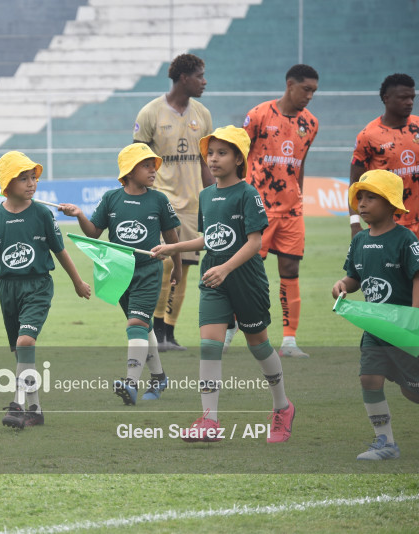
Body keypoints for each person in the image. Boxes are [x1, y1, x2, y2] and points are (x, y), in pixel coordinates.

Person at [151, 126, 295, 444]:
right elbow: (210, 238)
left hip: (246, 280)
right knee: (209, 346)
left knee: (259, 347)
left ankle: (282, 408)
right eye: (210, 153)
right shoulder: (206, 195)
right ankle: (210, 421)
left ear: (239, 159)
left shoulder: (247, 194)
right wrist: (173, 247)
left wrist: (227, 269)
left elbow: (255, 242)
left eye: (222, 153)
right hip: (214, 279)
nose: (213, 159)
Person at [0, 151, 91, 429]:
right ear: (7, 184)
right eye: (24, 178)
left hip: (38, 286)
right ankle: (36, 410)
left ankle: (16, 405)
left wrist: (77, 282)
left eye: (34, 178)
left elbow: (60, 251)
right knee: (20, 352)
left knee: (25, 342)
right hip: (8, 289)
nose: (32, 184)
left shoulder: (42, 214)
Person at [59, 143, 181, 405]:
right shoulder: (111, 198)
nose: (152, 170)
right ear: (129, 170)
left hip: (149, 273)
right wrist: (79, 214)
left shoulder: (158, 200)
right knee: (143, 326)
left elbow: (173, 239)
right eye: (145, 165)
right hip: (120, 272)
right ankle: (158, 377)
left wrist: (178, 269)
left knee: (135, 324)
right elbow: (93, 233)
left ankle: (130, 383)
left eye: (153, 166)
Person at [230, 65, 319, 358]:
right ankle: (231, 328)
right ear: (290, 84)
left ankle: (290, 341)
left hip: (292, 210)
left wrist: (301, 195)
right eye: (306, 89)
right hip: (259, 208)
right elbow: (239, 155)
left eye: (313, 91)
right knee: (248, 271)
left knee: (291, 269)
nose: (309, 96)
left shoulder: (311, 123)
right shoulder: (258, 115)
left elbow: (300, 162)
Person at [332, 169, 419, 460]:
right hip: (375, 328)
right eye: (360, 197)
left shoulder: (406, 239)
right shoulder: (359, 241)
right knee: (369, 378)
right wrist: (343, 286)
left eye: (372, 197)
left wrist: (415, 319)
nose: (363, 204)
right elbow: (354, 277)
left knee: (413, 392)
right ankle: (385, 442)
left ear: (392, 204)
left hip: (404, 330)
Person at [133, 53, 214, 351]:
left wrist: (213, 198)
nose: (204, 81)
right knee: (164, 267)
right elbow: (136, 162)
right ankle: (154, 330)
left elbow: (207, 162)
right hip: (161, 203)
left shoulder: (202, 114)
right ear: (184, 78)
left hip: (193, 206)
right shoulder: (151, 113)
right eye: (200, 76)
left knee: (185, 270)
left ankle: (168, 333)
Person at [350, 73, 419, 239]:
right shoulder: (368, 135)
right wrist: (354, 223)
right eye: (403, 98)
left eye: (412, 97)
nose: (409, 102)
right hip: (388, 225)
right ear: (387, 98)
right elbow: (355, 183)